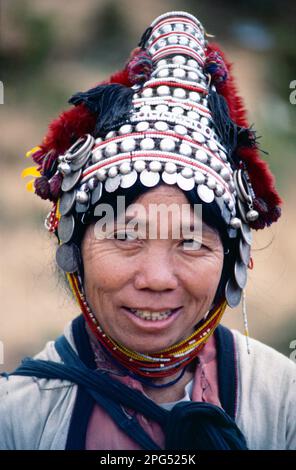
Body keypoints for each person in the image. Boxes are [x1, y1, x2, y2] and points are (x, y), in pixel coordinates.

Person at [0, 11, 295, 451]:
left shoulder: (283, 402)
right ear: (74, 248)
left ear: (232, 259)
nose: (156, 278)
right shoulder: (17, 419)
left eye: (191, 241)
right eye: (124, 237)